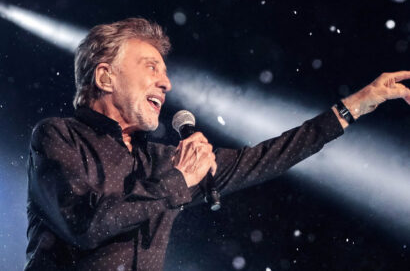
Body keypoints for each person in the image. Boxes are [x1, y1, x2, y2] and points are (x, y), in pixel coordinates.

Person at [25, 17, 410, 271]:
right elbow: (86, 224)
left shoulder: (163, 159)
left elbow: (265, 158)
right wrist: (178, 180)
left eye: (166, 70)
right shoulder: (57, 136)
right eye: (151, 66)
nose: (167, 82)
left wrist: (353, 107)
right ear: (106, 77)